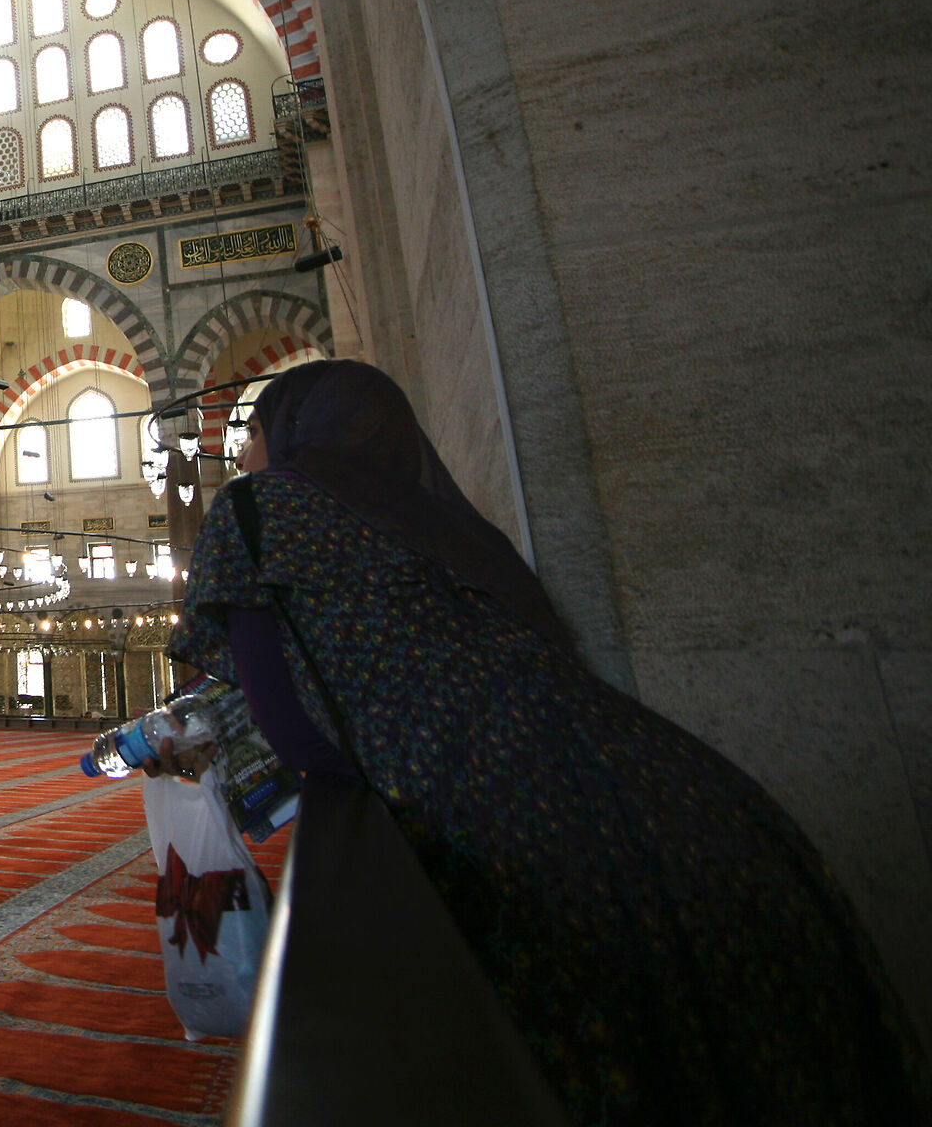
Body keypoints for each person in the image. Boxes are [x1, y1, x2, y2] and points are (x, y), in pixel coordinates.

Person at [158, 359, 924, 1124]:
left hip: (504, 812)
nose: (242, 451)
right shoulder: (435, 522)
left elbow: (295, 731)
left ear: (293, 433)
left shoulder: (258, 509)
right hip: (673, 786)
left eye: (252, 431)